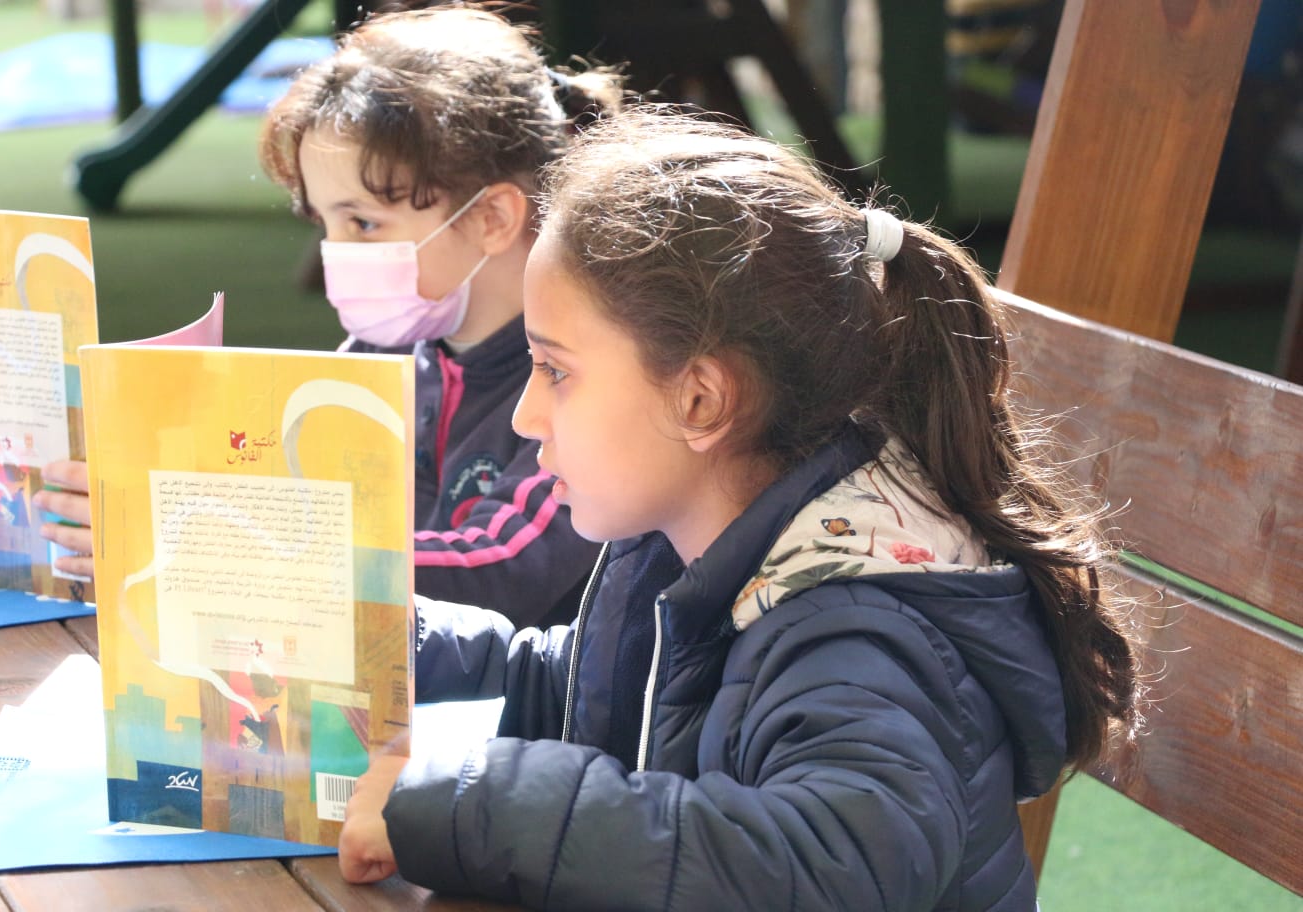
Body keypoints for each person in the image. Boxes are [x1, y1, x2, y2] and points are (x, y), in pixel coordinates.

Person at [337, 108, 1143, 910]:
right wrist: (393, 641)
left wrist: (475, 806)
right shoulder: (703, 545)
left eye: (555, 371)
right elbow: (582, 689)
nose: (525, 416)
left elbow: (825, 864)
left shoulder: (857, 627)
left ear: (700, 400)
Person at [35, 6, 620, 628]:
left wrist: (221, 553)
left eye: (363, 222)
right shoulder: (385, 347)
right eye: (325, 223)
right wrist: (149, 494)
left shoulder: (580, 380)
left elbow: (500, 570)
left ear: (492, 218)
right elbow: (285, 493)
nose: (334, 254)